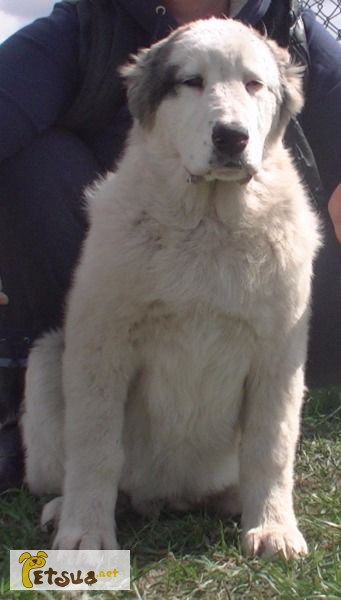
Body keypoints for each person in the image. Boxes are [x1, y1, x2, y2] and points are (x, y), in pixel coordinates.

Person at [0, 0, 340, 492]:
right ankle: (23, 407)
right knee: (32, 161)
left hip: (250, 272)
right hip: (114, 270)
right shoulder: (91, 23)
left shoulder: (288, 24)